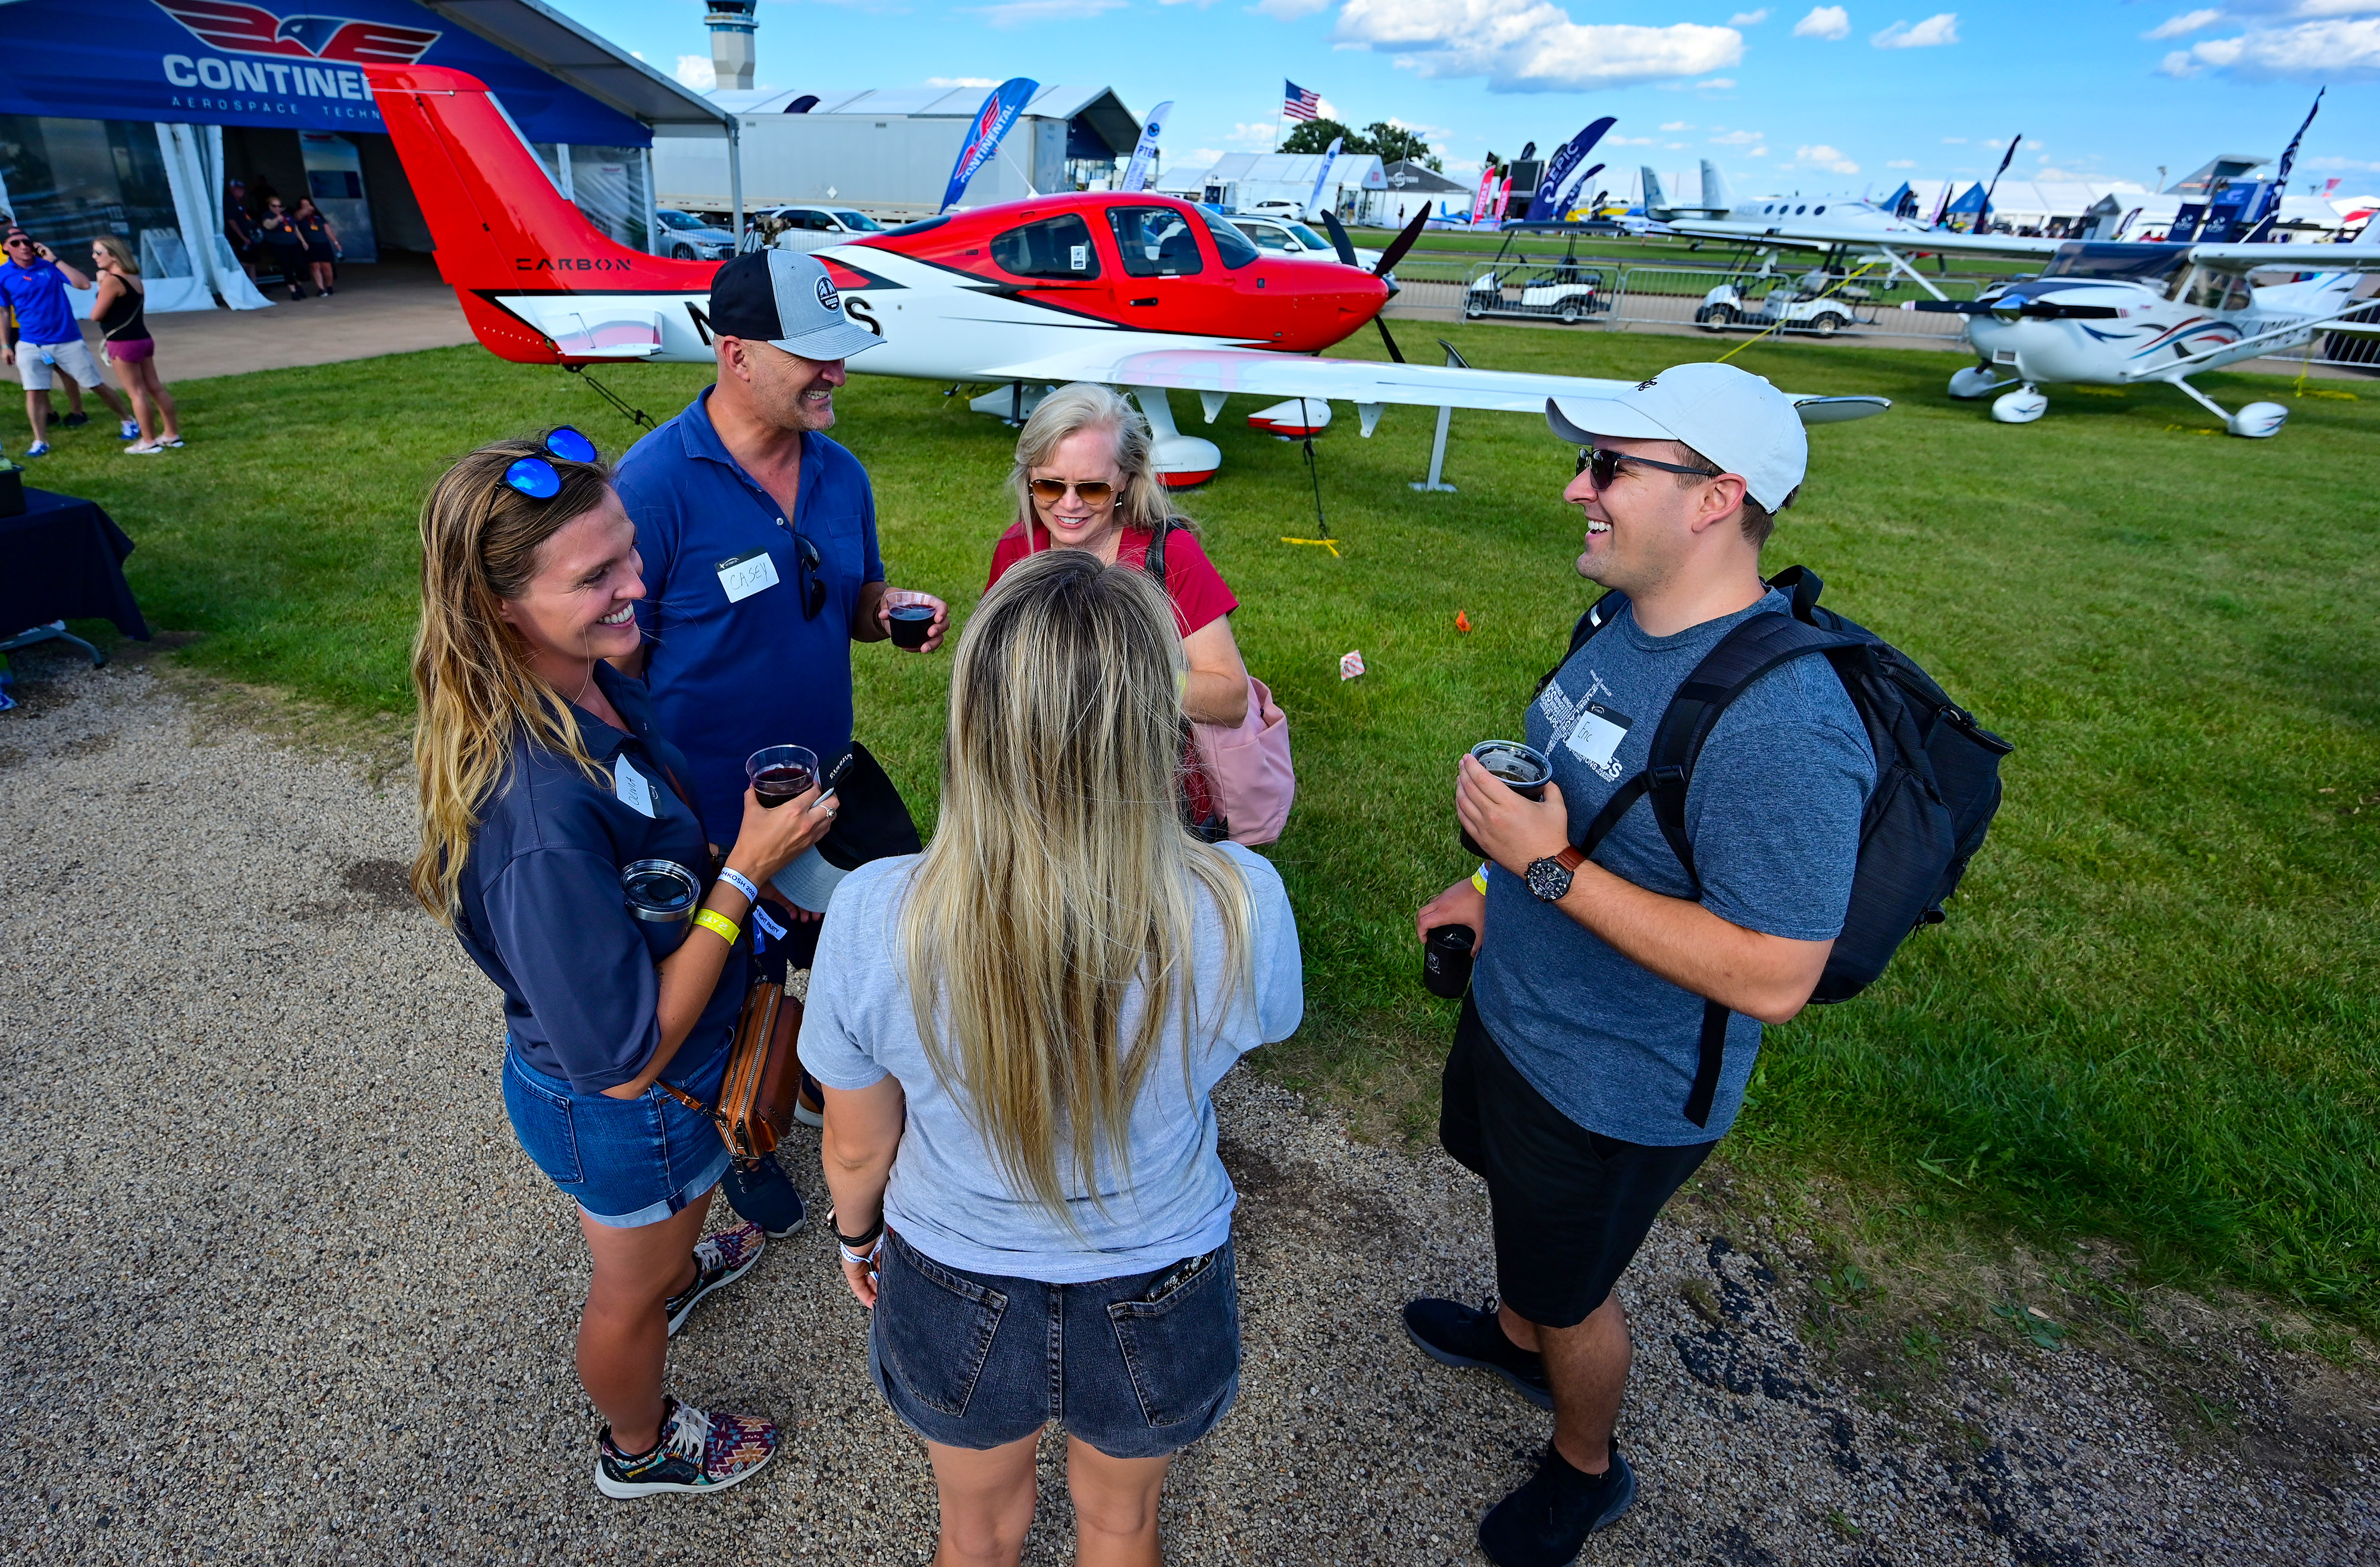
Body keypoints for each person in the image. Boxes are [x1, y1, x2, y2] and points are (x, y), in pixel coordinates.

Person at [1402, 363, 1875, 1566]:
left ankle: (1583, 1466)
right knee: (1523, 1236)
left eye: (1607, 467)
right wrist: (1486, 884)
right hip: (1518, 1019)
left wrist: (1547, 870)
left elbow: (1776, 974)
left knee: (1575, 1293)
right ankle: (1518, 1329)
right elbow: (1588, 807)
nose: (1575, 490)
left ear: (1716, 496)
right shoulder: (1618, 624)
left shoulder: (1785, 723)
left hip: (1617, 1085)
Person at [800, 547, 1304, 1567]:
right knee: (1123, 1524)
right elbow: (1231, 1046)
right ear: (1153, 719)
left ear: (975, 719)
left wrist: (857, 1237)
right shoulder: (1243, 901)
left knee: (975, 1530)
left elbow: (858, 1147)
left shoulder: (873, 912)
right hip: (1161, 1265)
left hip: (952, 1269)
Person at [409, 430, 839, 1497]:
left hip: (673, 1083)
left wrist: (720, 869)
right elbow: (627, 1058)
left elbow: (643, 863)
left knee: (658, 1246)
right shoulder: (539, 809)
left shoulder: (587, 684)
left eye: (631, 553)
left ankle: (679, 1261)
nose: (638, 585)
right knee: (622, 1294)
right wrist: (742, 872)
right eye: (595, 575)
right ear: (496, 604)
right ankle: (640, 1445)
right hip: (632, 1106)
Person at [611, 245, 947, 1174]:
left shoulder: (842, 474)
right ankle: (738, 1155)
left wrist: (887, 613)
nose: (835, 372)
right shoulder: (653, 486)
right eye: (813, 353)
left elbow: (853, 597)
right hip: (710, 818)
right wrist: (696, 828)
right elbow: (617, 666)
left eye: (840, 349)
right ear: (737, 354)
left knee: (883, 951)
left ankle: (822, 1085)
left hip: (827, 789)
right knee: (726, 996)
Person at [984, 383, 1252, 830]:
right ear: (1028, 476)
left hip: (1152, 804)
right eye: (1049, 485)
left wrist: (1110, 680)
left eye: (1092, 489)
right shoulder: (1018, 549)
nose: (1068, 506)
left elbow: (1232, 697)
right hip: (1041, 795)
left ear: (1126, 479)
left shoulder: (1171, 554)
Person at [1, 227, 135, 459]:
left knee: (94, 384)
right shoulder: (4, 274)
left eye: (26, 241)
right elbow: (3, 312)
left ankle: (128, 421)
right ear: (5, 248)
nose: (24, 247)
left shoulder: (49, 266)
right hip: (30, 342)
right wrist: (5, 345)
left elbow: (83, 284)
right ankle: (40, 440)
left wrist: (54, 259)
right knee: (34, 391)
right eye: (16, 243)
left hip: (67, 339)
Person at [90, 236, 181, 454]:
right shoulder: (134, 278)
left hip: (123, 343)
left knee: (136, 392)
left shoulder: (113, 281)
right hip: (142, 338)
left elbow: (96, 314)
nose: (94, 257)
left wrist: (101, 284)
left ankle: (148, 440)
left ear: (113, 255)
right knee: (154, 387)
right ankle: (171, 433)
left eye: (98, 252)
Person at [257, 196, 308, 299]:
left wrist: (303, 241)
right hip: (279, 245)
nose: (277, 208)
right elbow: (268, 226)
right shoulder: (267, 215)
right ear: (270, 206)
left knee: (301, 266)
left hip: (293, 243)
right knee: (287, 267)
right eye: (274, 206)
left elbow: (295, 229)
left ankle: (298, 284)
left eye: (279, 206)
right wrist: (277, 219)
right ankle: (293, 291)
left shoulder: (287, 215)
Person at [293, 196, 340, 296]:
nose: (307, 206)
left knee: (327, 266)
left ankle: (330, 286)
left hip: (323, 243)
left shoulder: (318, 217)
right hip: (310, 244)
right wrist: (306, 209)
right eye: (303, 205)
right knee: (315, 266)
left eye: (308, 204)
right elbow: (298, 216)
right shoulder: (299, 216)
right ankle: (321, 289)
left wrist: (336, 242)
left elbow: (328, 229)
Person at [223, 180, 260, 280]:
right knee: (242, 262)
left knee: (251, 262)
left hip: (246, 237)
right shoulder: (229, 201)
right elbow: (231, 221)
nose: (241, 191)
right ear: (232, 190)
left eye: (242, 189)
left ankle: (255, 286)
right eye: (237, 189)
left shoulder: (238, 202)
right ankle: (243, 283)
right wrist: (243, 237)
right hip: (238, 239)